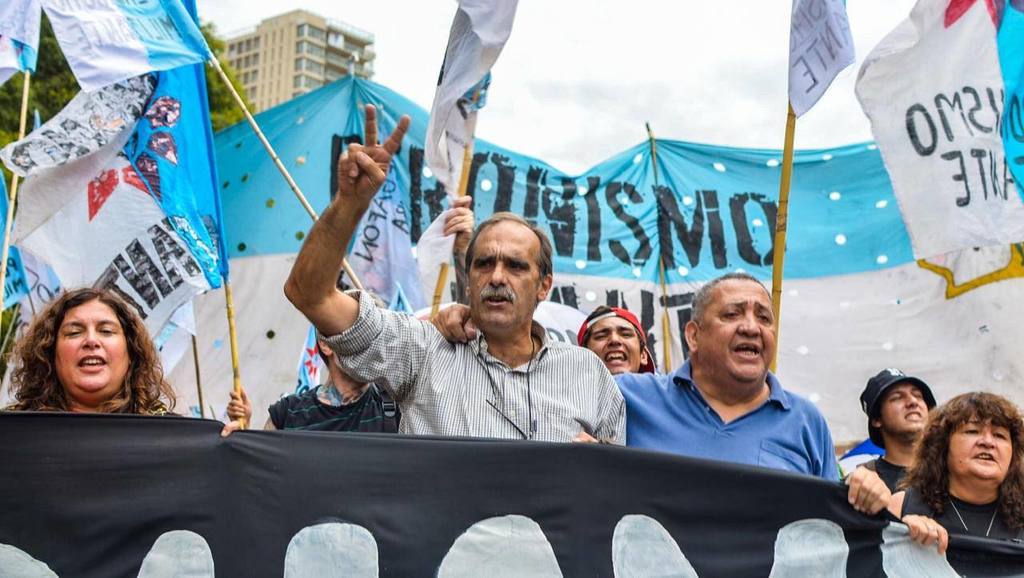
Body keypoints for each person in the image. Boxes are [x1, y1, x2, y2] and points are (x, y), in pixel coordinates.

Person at [283, 104, 624, 443]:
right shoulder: (421, 351)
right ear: (469, 277)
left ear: (544, 286)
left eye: (516, 266)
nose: (497, 277)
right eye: (484, 263)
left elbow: (618, 488)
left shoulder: (589, 374)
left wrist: (597, 466)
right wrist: (351, 202)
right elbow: (309, 293)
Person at [434, 272, 890, 513]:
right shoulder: (626, 395)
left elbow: (831, 521)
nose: (752, 325)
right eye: (733, 314)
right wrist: (460, 321)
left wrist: (866, 492)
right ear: (692, 336)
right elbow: (526, 385)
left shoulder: (805, 420)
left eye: (764, 317)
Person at [5, 287, 175, 415]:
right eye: (74, 332)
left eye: (106, 331)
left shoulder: (170, 436)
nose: (91, 341)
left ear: (131, 352)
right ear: (50, 353)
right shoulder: (11, 432)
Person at [889, 392, 1024, 544]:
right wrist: (903, 533)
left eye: (999, 435)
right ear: (943, 446)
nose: (988, 442)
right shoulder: (901, 506)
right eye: (973, 431)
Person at [854, 368, 936, 492]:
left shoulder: (954, 470)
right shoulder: (863, 485)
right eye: (897, 398)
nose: (913, 402)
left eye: (918, 396)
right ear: (877, 419)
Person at [576, 306, 655, 375]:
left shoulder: (662, 391)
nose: (614, 340)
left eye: (626, 334)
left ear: (643, 355)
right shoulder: (566, 391)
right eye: (601, 336)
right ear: (584, 356)